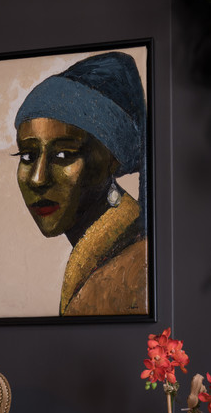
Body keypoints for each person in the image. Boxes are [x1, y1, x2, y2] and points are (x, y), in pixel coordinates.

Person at [14, 50, 149, 317]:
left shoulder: (129, 273)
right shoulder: (111, 259)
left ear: (111, 159)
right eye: (28, 156)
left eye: (63, 155)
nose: (38, 178)